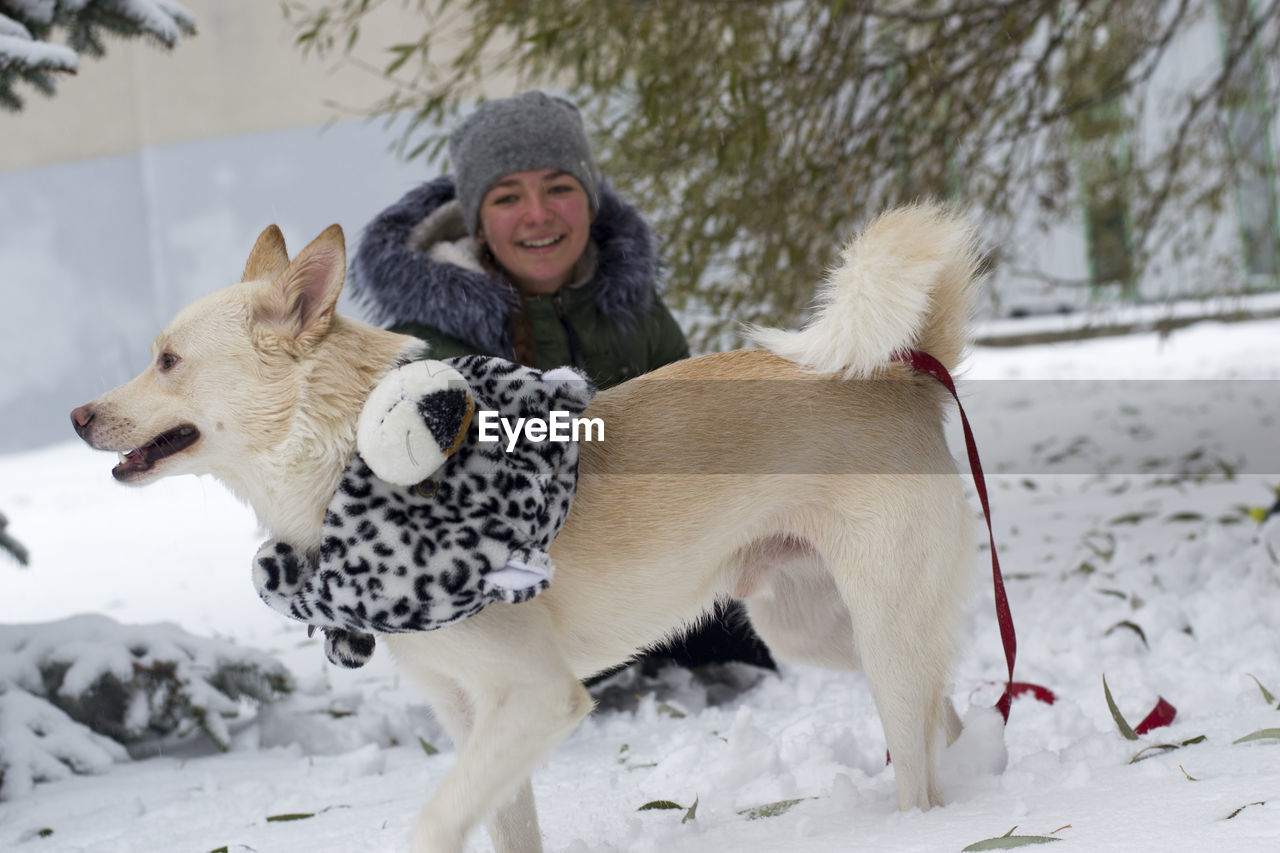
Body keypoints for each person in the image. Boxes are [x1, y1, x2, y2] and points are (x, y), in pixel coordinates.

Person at [349, 90, 774, 674]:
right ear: (477, 219)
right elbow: (412, 488)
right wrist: (595, 428)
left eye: (559, 187)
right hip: (512, 599)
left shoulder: (636, 313)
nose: (538, 213)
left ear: (590, 200)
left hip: (654, 578)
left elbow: (692, 440)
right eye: (506, 196)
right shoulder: (422, 349)